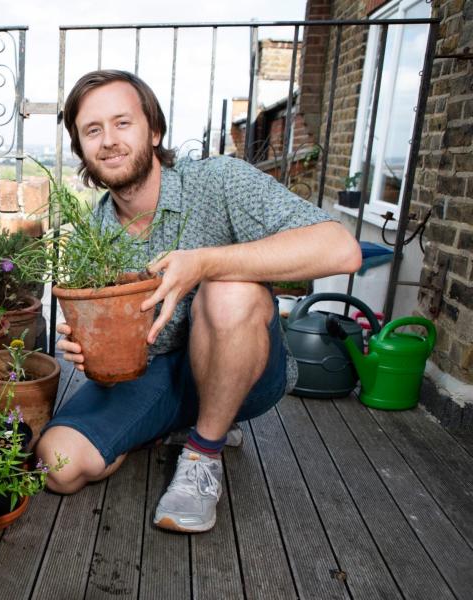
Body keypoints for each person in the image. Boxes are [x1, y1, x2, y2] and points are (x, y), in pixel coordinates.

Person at [36, 70, 361, 533]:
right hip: (156, 372)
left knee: (228, 287)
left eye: (122, 123)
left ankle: (204, 454)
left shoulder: (219, 182)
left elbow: (340, 249)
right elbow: (120, 339)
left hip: (248, 371)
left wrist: (205, 264)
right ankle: (171, 422)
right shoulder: (95, 233)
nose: (108, 140)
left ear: (154, 130)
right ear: (82, 149)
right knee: (58, 465)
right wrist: (89, 348)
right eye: (93, 130)